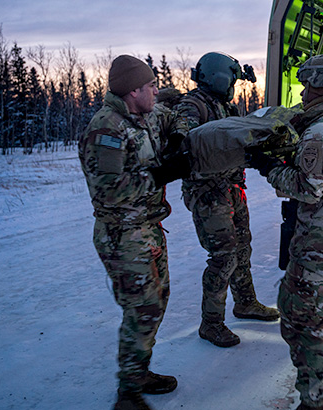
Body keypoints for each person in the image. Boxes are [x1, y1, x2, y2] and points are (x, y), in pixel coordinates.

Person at [247, 54, 323, 410]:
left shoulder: (321, 131)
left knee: (302, 320)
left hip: (322, 251)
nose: (302, 93)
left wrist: (269, 167)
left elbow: (306, 187)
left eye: (306, 85)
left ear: (321, 85)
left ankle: (316, 401)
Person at [78, 54, 190, 410]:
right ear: (133, 90)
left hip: (148, 228)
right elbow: (108, 190)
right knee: (141, 309)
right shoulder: (106, 130)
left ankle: (139, 371)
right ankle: (128, 394)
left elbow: (175, 116)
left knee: (156, 304)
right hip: (122, 234)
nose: (157, 92)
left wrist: (180, 136)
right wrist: (162, 174)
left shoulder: (146, 113)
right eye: (152, 87)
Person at [175, 52, 279, 348]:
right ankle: (211, 323)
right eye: (232, 78)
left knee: (242, 247)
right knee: (224, 256)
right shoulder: (193, 104)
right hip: (208, 193)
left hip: (231, 187)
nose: (234, 83)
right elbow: (183, 134)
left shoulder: (224, 107)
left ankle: (245, 302)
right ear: (221, 76)